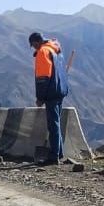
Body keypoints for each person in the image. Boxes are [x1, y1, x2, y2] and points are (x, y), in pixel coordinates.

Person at [29, 32, 70, 164]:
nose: (34, 48)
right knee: (56, 123)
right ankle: (59, 153)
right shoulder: (56, 50)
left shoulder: (43, 52)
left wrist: (40, 97)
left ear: (36, 43)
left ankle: (53, 157)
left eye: (33, 45)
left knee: (53, 125)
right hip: (60, 90)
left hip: (51, 93)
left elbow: (43, 78)